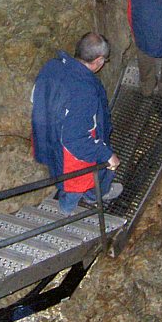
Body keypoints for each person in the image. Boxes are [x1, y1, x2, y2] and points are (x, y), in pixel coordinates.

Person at [31, 32, 122, 215]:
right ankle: (67, 208)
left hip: (50, 136)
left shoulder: (53, 66)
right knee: (75, 181)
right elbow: (76, 140)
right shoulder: (83, 92)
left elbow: (35, 98)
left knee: (67, 173)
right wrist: (107, 154)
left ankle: (92, 193)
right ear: (98, 61)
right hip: (70, 150)